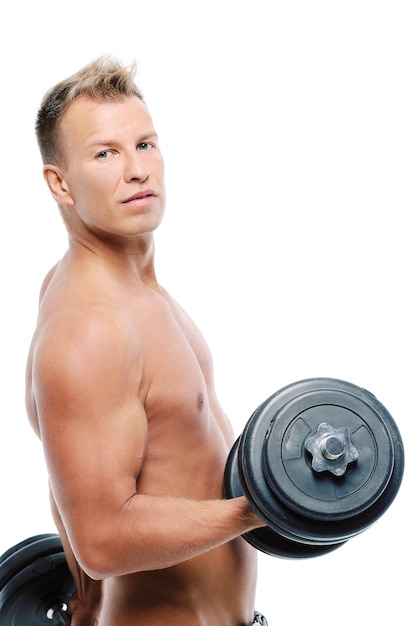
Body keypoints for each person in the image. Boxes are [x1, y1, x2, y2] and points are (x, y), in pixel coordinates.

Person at [25, 56, 268, 626]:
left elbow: (75, 478)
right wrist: (258, 510)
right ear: (60, 183)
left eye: (146, 144)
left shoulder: (126, 291)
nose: (137, 170)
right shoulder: (90, 328)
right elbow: (103, 539)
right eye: (105, 153)